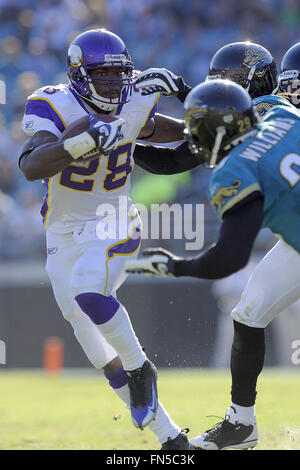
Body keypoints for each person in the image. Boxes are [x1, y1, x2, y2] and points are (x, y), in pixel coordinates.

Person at [19, 28, 199, 450]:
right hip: (62, 231)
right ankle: (170, 439)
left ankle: (141, 369)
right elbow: (31, 165)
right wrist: (81, 141)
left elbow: (188, 134)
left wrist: (187, 93)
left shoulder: (136, 98)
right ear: (79, 75)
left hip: (113, 216)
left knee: (88, 291)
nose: (114, 84)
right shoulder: (53, 104)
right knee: (90, 338)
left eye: (120, 75)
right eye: (102, 75)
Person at [125, 78, 300, 450]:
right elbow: (228, 112)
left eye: (198, 133)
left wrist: (173, 267)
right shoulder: (284, 114)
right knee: (248, 314)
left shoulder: (234, 172)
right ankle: (241, 424)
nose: (195, 143)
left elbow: (229, 258)